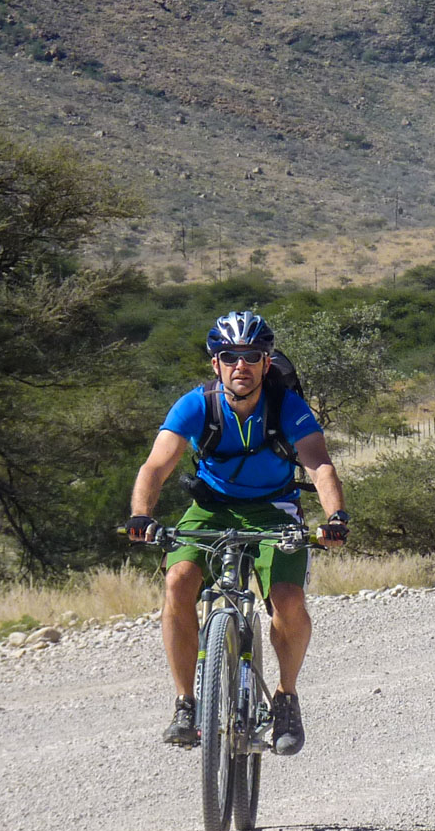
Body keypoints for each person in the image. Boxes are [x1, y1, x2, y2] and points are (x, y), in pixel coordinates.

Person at [126, 311, 348, 754]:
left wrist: (336, 518)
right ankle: (186, 703)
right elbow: (156, 465)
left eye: (252, 356)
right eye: (230, 356)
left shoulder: (287, 406)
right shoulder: (197, 404)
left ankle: (286, 698)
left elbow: (318, 464)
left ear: (267, 363)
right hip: (211, 509)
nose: (240, 365)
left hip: (274, 509)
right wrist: (141, 514)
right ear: (216, 363)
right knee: (177, 581)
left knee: (288, 599)